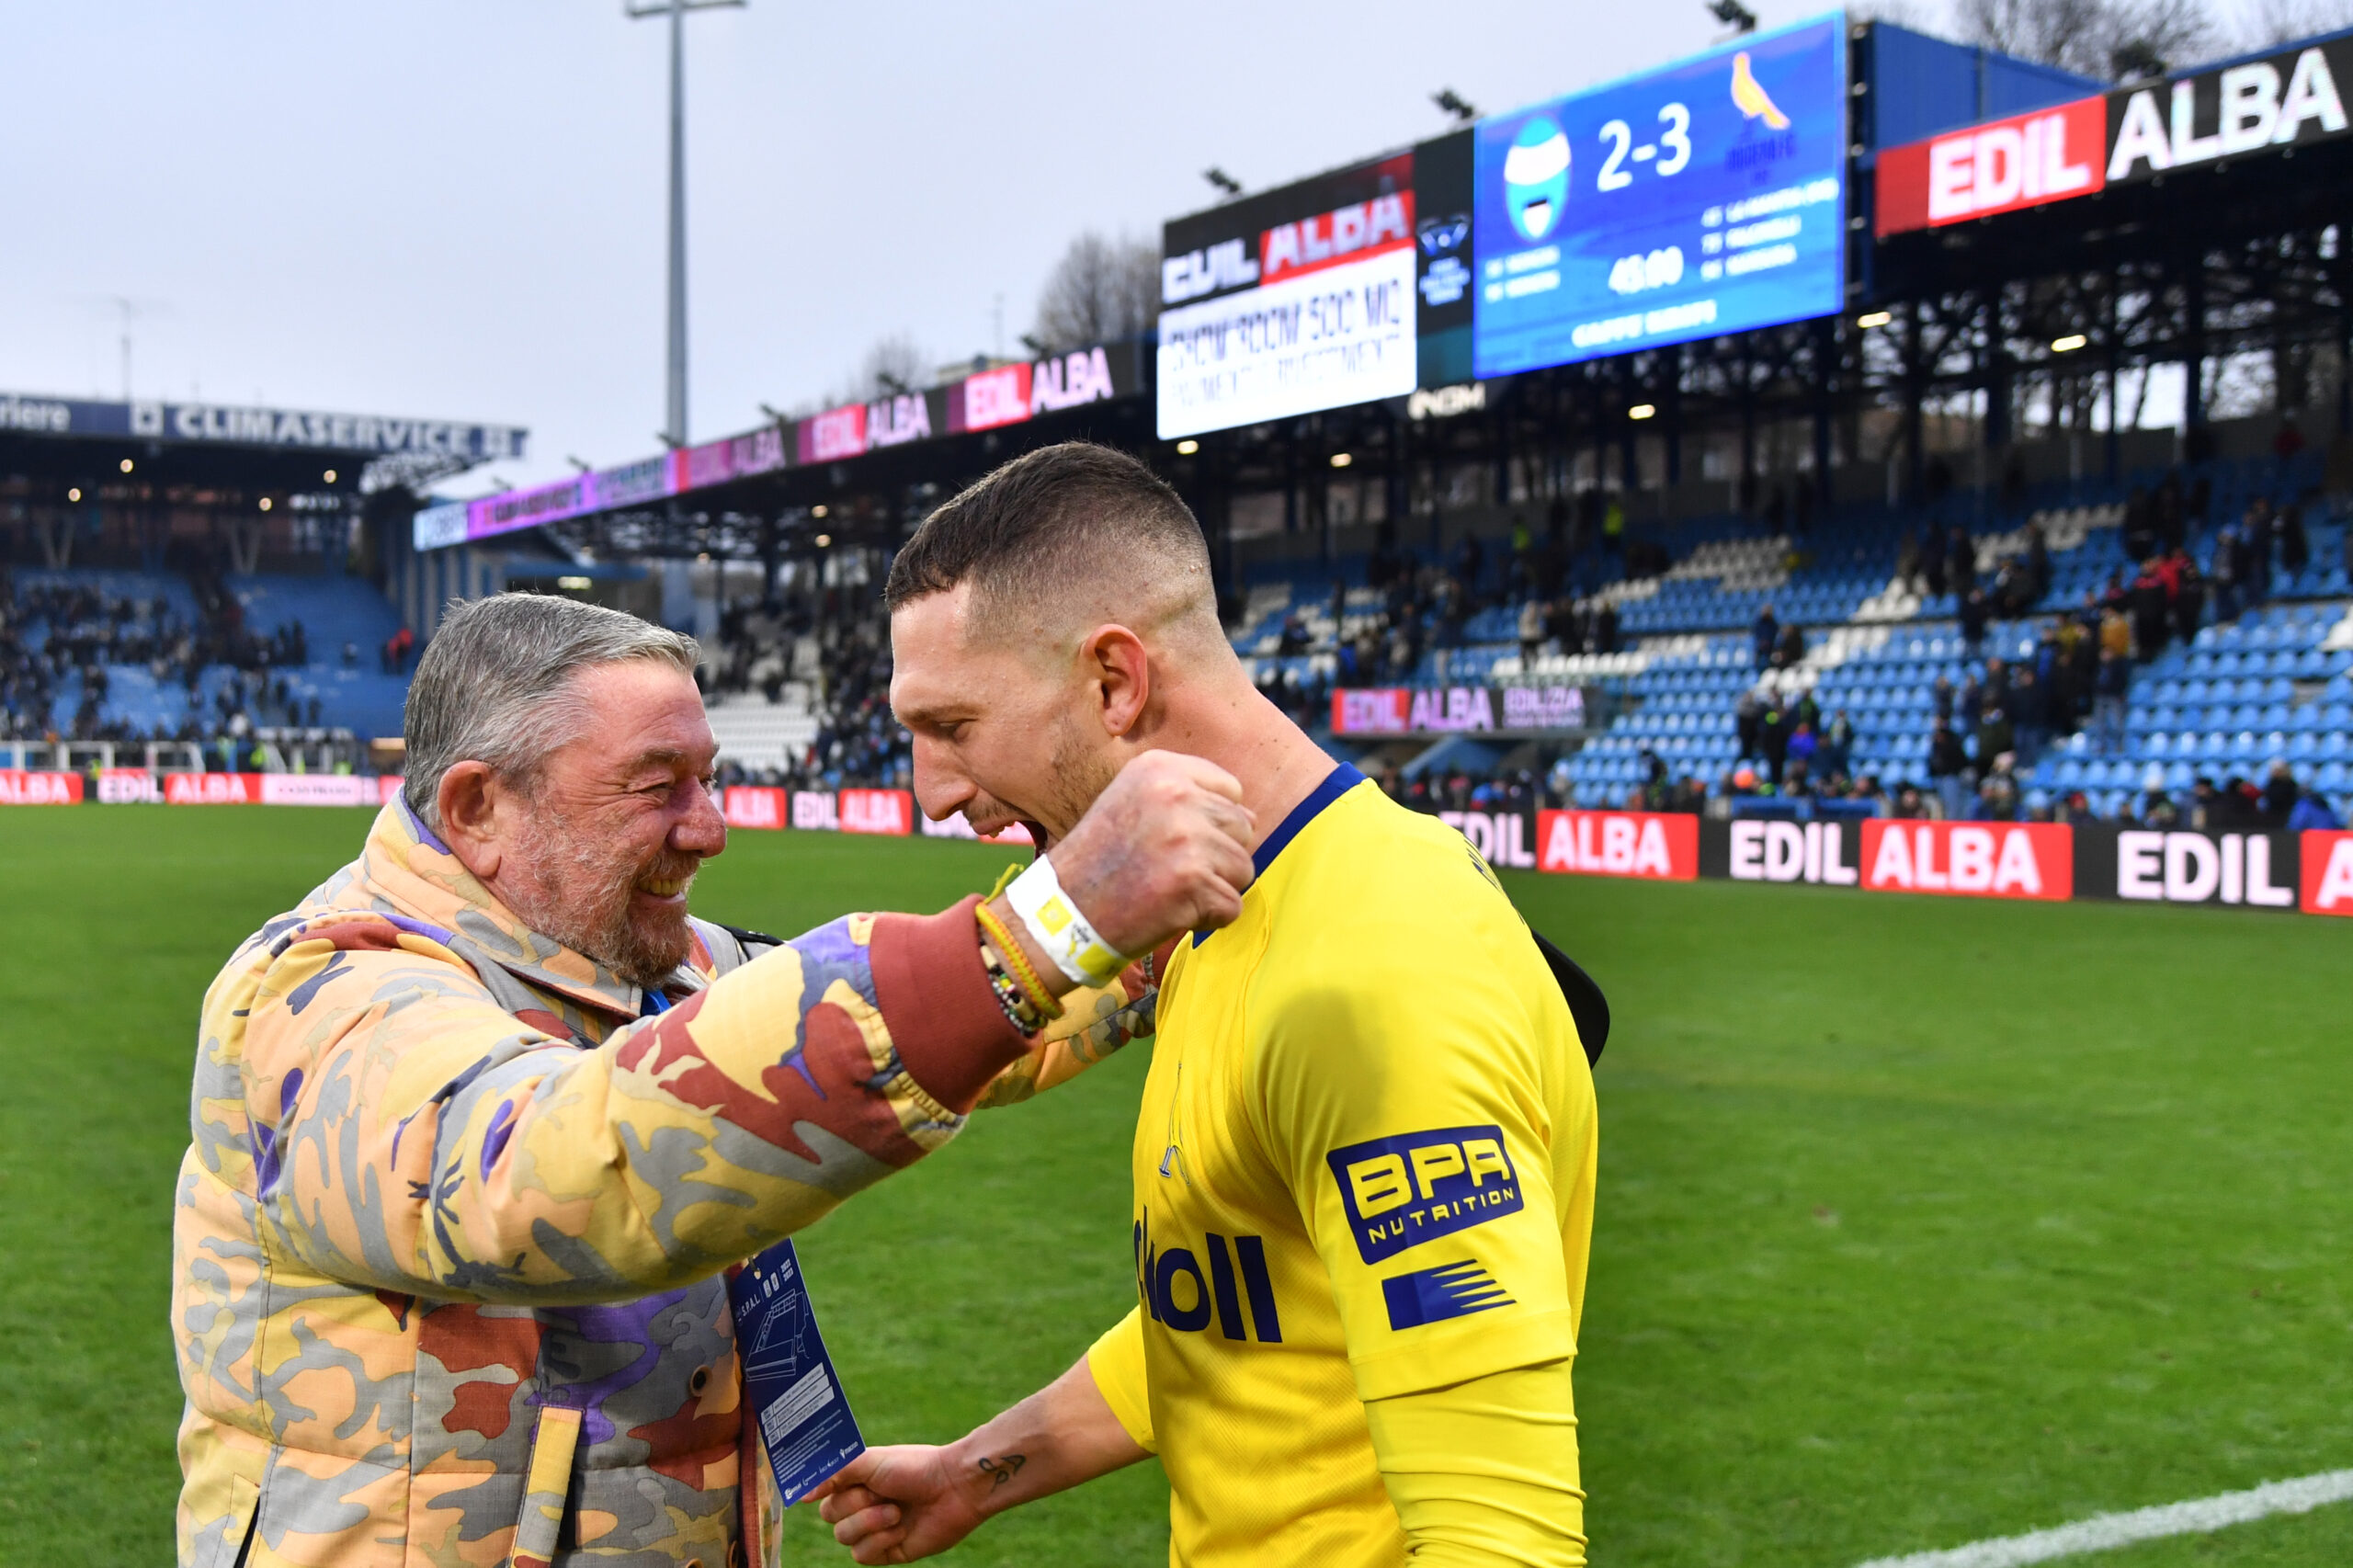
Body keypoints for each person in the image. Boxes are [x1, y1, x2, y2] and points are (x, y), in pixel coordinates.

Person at [172, 594, 1256, 1568]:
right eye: (657, 787)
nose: (710, 828)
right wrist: (1042, 927)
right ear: (477, 808)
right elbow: (533, 1174)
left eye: (709, 778)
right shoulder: (323, 995)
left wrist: (1141, 950)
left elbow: (954, 1026)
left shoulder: (644, 961)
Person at [818, 443, 1600, 1565]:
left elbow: (1501, 1538)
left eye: (951, 726)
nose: (931, 790)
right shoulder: (1218, 903)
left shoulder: (1375, 971)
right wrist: (977, 1471)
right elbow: (1237, 1304)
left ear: (1114, 681)